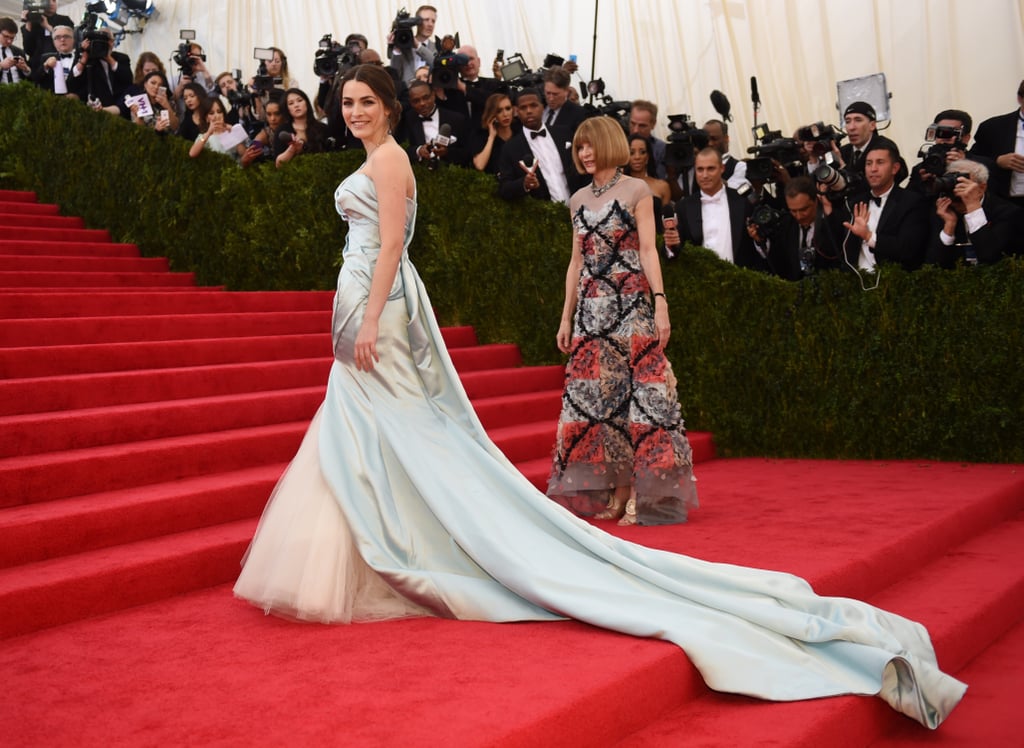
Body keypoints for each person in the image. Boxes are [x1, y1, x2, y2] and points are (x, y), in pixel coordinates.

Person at [233, 63, 965, 732]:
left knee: (399, 426)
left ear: (392, 108)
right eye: (349, 103)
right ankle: (390, 541)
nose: (355, 111)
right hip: (389, 303)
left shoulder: (391, 161)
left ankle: (416, 541)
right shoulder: (388, 160)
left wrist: (366, 318)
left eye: (368, 102)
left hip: (382, 307)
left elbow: (393, 246)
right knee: (372, 427)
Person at [547, 117, 698, 526]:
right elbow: (576, 261)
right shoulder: (576, 200)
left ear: (609, 144)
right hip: (590, 314)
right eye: (579, 147)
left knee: (641, 403)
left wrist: (660, 303)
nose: (585, 153)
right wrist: (566, 317)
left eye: (591, 145)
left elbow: (648, 251)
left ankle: (640, 494)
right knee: (599, 406)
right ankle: (617, 491)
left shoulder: (637, 190)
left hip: (631, 309)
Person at [665, 148, 766, 271]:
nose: (705, 175)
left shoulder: (742, 202)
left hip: (740, 281)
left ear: (722, 169)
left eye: (711, 169)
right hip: (700, 282)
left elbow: (757, 247)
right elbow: (677, 250)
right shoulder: (684, 207)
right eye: (700, 169)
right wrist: (670, 245)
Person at [837, 138, 928, 271]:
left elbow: (908, 249)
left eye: (880, 163)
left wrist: (868, 236)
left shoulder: (912, 202)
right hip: (856, 283)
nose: (873, 169)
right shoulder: (854, 202)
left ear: (895, 168)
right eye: (869, 163)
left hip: (892, 282)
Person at [926, 158, 1024, 267]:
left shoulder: (1008, 212)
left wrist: (973, 207)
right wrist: (949, 226)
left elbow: (991, 258)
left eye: (962, 181)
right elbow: (933, 265)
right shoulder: (943, 210)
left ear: (982, 188)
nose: (955, 188)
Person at [497, 88, 585, 203]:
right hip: (544, 216)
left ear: (543, 107)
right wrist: (524, 184)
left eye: (534, 105)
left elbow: (582, 168)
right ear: (516, 112)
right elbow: (504, 189)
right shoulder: (510, 148)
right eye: (523, 108)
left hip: (580, 207)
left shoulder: (565, 134)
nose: (529, 111)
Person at [970, 80, 1024, 208]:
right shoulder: (993, 127)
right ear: (1020, 98)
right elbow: (972, 160)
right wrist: (997, 161)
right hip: (1008, 204)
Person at [402, 79, 471, 167]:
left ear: (433, 95)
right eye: (416, 101)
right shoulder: (407, 119)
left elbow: (467, 153)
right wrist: (418, 151)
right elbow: (401, 149)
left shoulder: (456, 119)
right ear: (410, 103)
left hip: (451, 175)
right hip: (419, 174)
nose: (422, 103)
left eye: (426, 98)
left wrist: (447, 152)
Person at [274, 87, 332, 167]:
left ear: (307, 103)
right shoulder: (282, 130)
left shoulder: (322, 128)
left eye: (300, 100)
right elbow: (278, 165)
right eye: (291, 103)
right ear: (287, 109)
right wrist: (292, 149)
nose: (296, 105)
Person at [188, 97, 249, 163]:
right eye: (211, 113)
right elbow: (192, 154)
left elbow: (245, 155)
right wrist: (208, 133)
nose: (216, 116)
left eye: (219, 112)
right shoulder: (204, 137)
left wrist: (233, 133)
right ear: (206, 118)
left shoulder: (231, 130)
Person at [388, 4, 436, 84]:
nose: (430, 24)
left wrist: (418, 46)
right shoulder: (403, 47)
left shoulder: (437, 47)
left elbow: (436, 64)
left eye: (433, 21)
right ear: (416, 22)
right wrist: (397, 49)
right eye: (426, 20)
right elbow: (395, 74)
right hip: (408, 93)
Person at [470, 92, 515, 174]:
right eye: (499, 111)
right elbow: (480, 165)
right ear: (492, 114)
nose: (505, 114)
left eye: (508, 108)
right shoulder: (481, 136)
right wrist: (491, 137)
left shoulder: (519, 130)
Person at [18, 0, 72, 65]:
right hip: (38, 66)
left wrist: (48, 27)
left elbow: (69, 43)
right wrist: (28, 21)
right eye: (48, 1)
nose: (51, 3)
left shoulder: (65, 20)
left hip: (60, 63)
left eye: (54, 1)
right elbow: (28, 50)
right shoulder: (31, 24)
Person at [28, 23, 74, 95]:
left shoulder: (81, 57)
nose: (62, 39)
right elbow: (36, 79)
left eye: (66, 36)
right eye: (58, 37)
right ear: (54, 42)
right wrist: (45, 66)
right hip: (53, 102)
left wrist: (78, 95)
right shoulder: (45, 57)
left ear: (73, 39)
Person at [542, 65, 588, 135]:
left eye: (555, 94)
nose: (551, 98)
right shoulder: (537, 105)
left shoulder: (578, 115)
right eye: (548, 93)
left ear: (567, 91)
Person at [629, 99, 667, 179]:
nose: (636, 130)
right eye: (632, 124)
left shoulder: (661, 149)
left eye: (642, 126)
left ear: (653, 124)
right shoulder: (618, 145)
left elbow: (659, 179)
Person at [1, 17, 33, 86]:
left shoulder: (19, 51)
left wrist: (26, 69)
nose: (9, 41)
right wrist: (1, 66)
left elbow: (30, 77)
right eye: (6, 36)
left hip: (19, 92)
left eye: (12, 38)